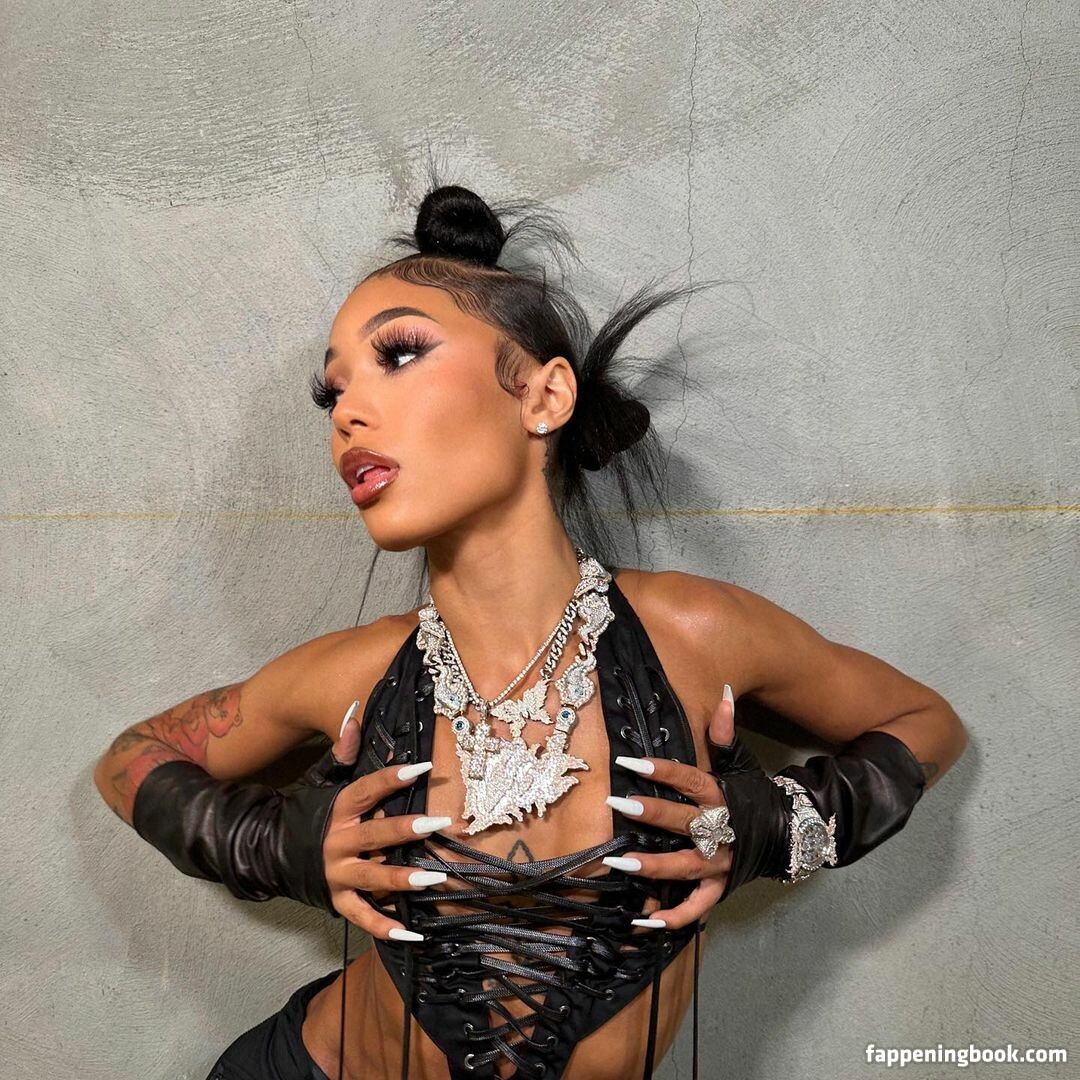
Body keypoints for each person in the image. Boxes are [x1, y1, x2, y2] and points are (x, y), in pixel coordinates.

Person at [93, 179, 968, 1080]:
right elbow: (128, 760)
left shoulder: (692, 636)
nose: (347, 412)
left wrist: (779, 825)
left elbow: (926, 722)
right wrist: (273, 844)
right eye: (334, 390)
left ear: (544, 396)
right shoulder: (359, 671)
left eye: (399, 354)